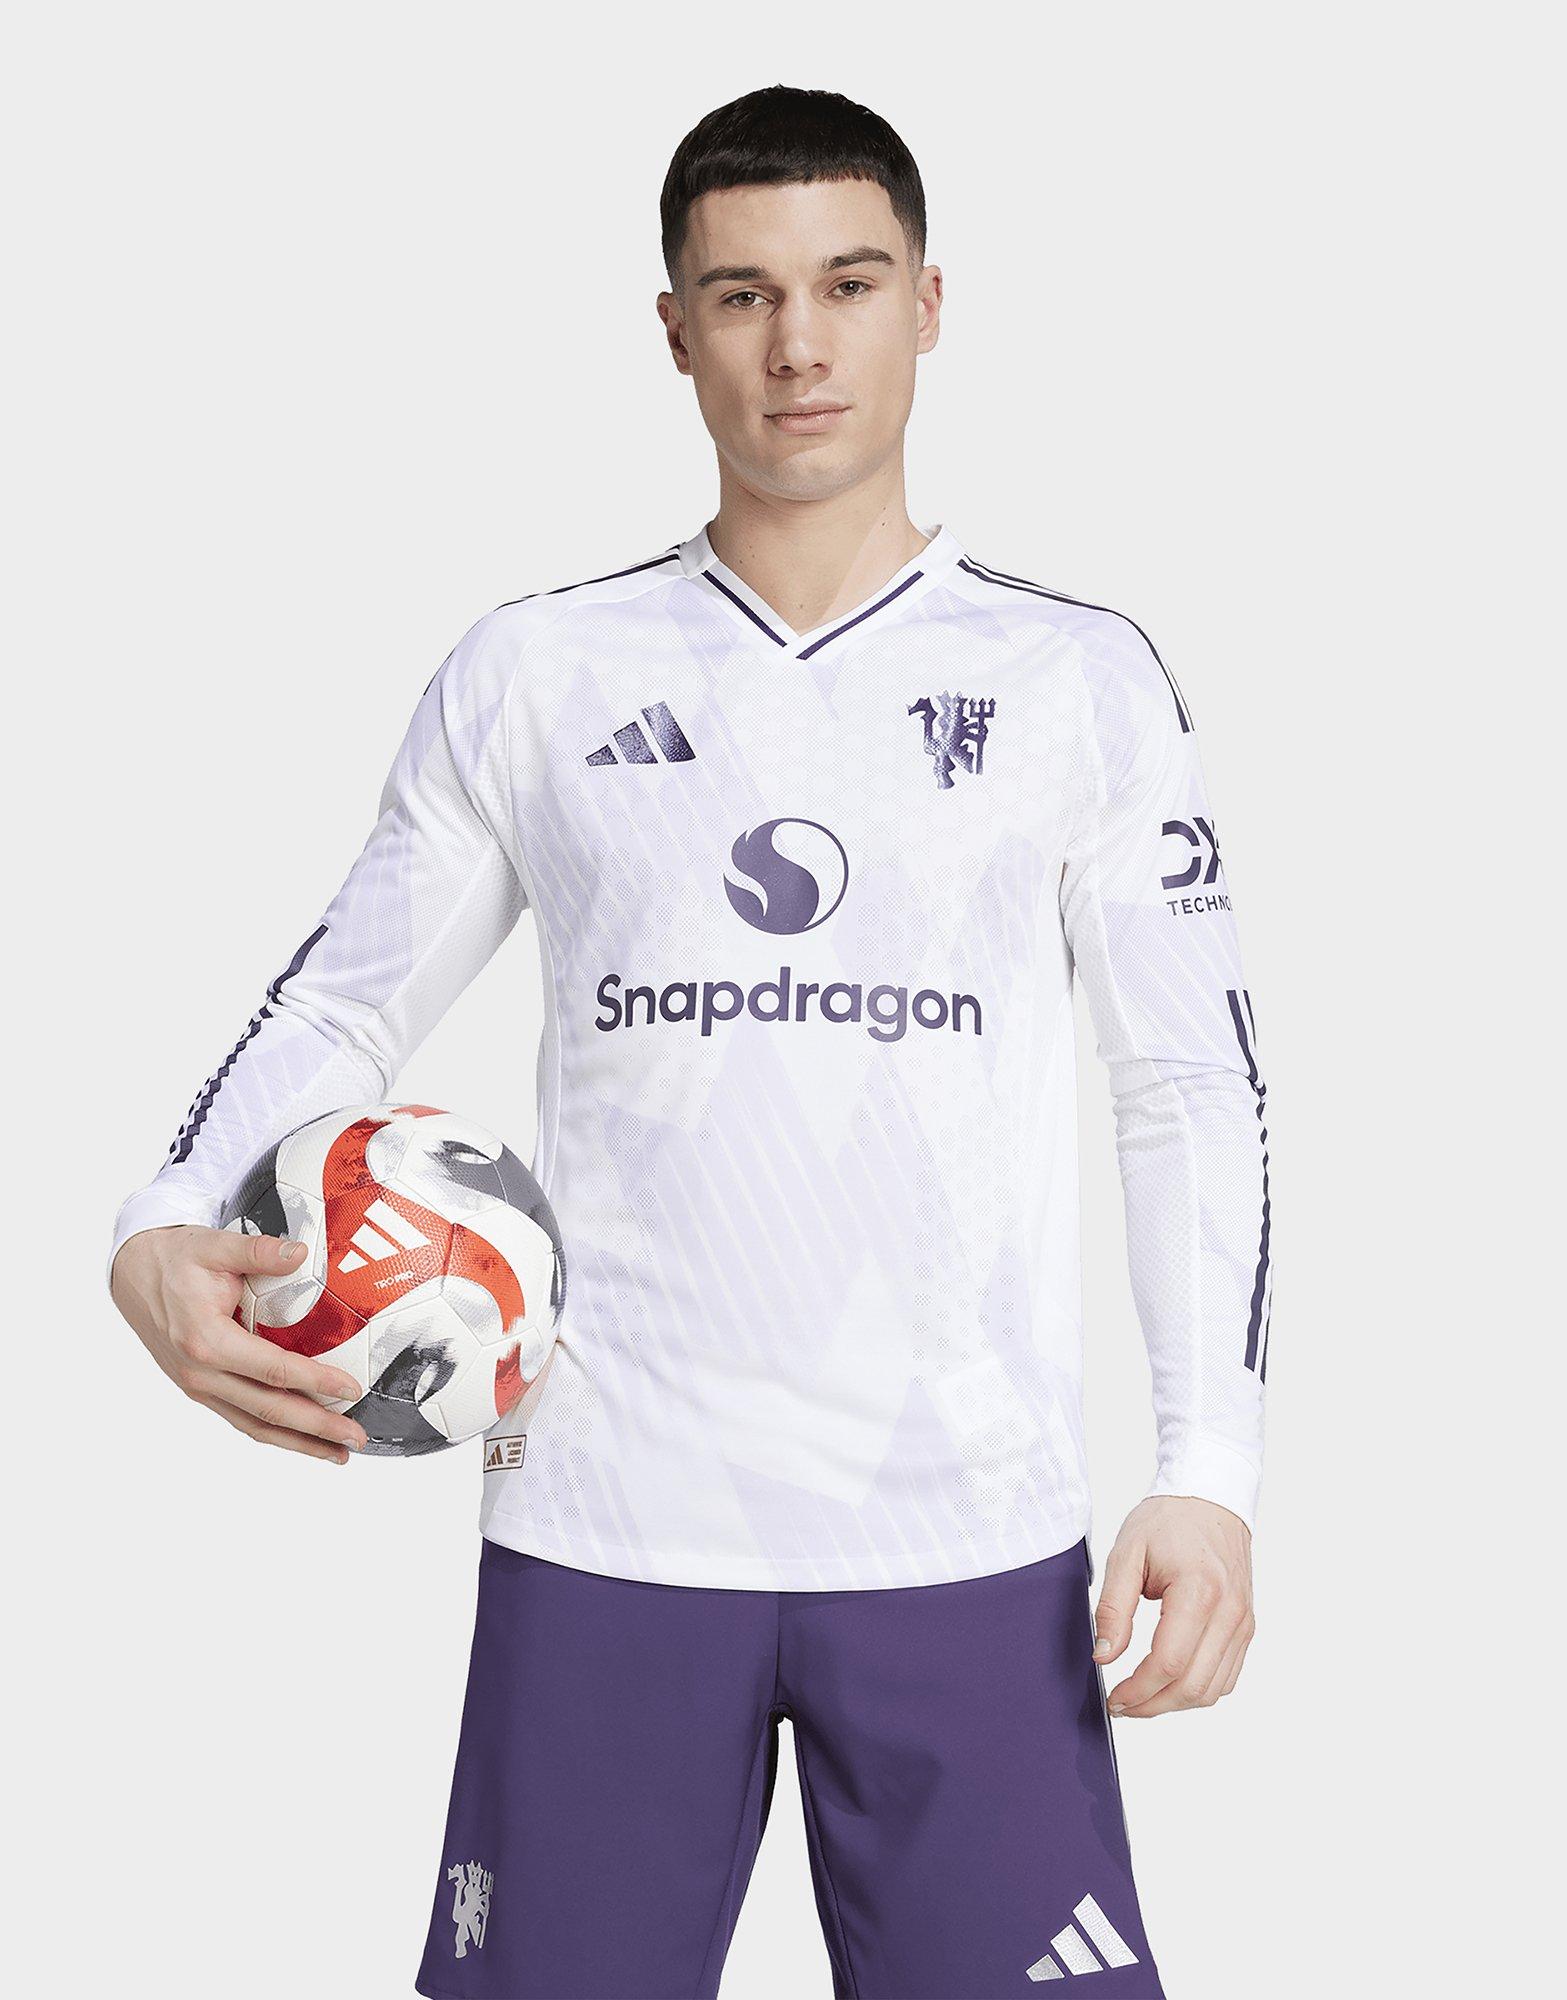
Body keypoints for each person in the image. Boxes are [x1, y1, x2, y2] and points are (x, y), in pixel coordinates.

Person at [107, 84, 1270, 2000]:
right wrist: (160, 1218)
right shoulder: (537, 673)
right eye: (743, 294)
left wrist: (1209, 1467)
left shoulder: (1076, 680)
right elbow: (339, 999)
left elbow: (1187, 1084)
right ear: (673, 327)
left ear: (930, 305)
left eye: (849, 284)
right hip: (606, 1532)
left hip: (965, 1540)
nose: (799, 343)